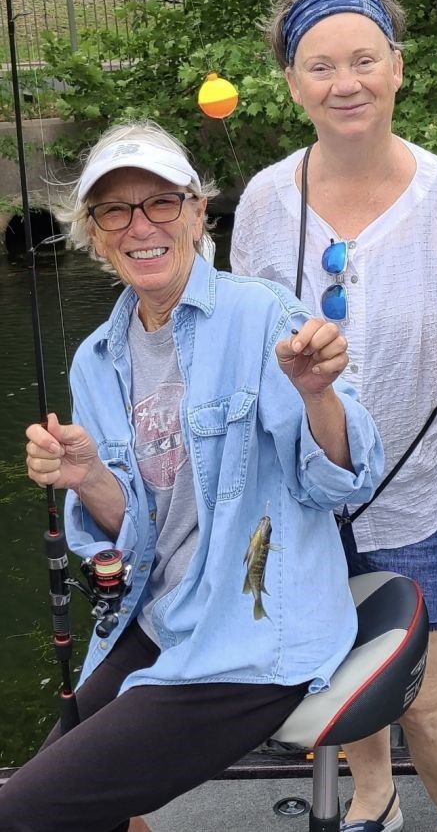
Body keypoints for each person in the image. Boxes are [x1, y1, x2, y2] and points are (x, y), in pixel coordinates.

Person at [0, 120, 383, 832]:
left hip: (256, 635)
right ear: (95, 231)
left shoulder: (262, 313)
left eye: (161, 203)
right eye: (115, 209)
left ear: (197, 212)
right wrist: (86, 477)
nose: (140, 225)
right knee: (53, 792)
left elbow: (344, 484)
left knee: (22, 813)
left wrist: (317, 393)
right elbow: (131, 535)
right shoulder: (95, 359)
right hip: (160, 620)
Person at [230, 0, 437, 832]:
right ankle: (376, 795)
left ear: (398, 65)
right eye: (321, 67)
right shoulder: (260, 203)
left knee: (423, 691)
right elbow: (243, 345)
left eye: (364, 60)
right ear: (291, 83)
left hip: (418, 492)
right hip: (298, 488)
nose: (345, 83)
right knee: (336, 668)